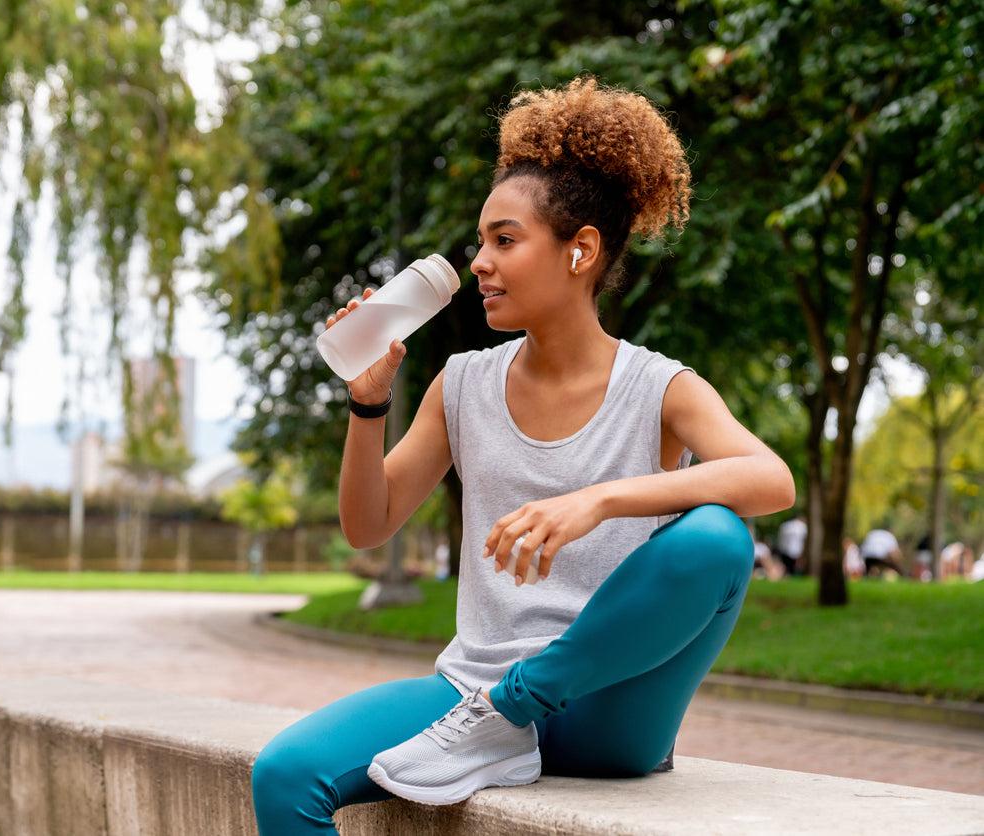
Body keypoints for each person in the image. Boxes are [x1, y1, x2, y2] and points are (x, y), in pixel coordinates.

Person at [251, 77, 795, 834]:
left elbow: (771, 480)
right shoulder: (462, 384)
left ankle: (515, 709)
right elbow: (367, 525)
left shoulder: (658, 386)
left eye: (504, 241)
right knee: (283, 776)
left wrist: (599, 499)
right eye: (481, 241)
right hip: (470, 693)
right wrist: (366, 404)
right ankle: (496, 718)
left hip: (608, 710)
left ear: (580, 251)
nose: (478, 262)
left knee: (716, 536)